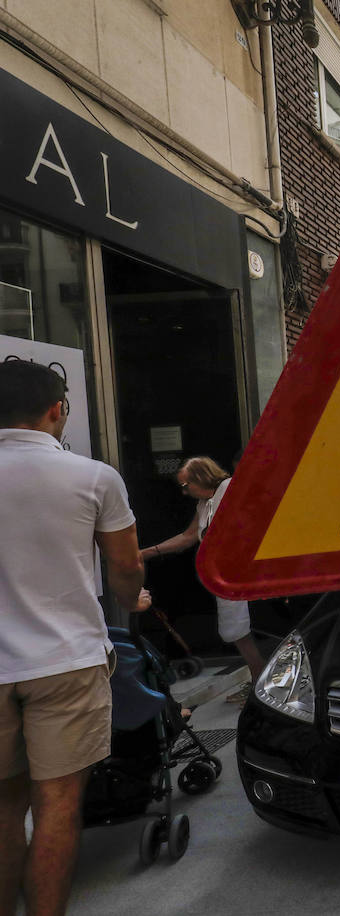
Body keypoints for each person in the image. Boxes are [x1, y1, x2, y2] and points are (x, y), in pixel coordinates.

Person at [0, 359, 151, 916]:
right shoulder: (93, 477)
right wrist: (131, 594)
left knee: (2, 810)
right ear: (56, 410)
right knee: (59, 807)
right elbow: (125, 568)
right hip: (66, 660)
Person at [139, 457, 265, 696]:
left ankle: (261, 684)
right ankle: (259, 682)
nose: (184, 493)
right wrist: (146, 553)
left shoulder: (229, 489)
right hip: (226, 579)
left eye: (186, 486)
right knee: (238, 633)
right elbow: (187, 537)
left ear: (201, 477)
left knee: (245, 631)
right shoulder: (204, 504)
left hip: (243, 577)